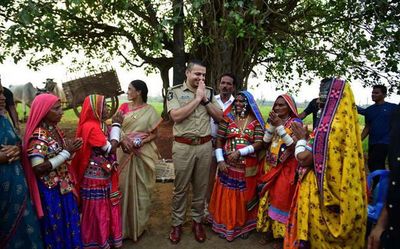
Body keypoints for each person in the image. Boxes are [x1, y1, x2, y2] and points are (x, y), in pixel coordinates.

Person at [284, 78, 368, 248]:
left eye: (322, 94)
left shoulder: (327, 128)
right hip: (343, 192)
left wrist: (301, 140)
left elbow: (304, 158)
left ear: (331, 96)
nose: (319, 99)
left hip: (322, 195)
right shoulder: (347, 125)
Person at [167, 60, 223, 244]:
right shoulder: (174, 92)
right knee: (180, 188)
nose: (200, 78)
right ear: (187, 73)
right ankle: (177, 224)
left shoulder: (209, 92)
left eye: (203, 75)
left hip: (205, 146)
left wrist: (205, 99)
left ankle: (197, 222)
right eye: (197, 74)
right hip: (183, 146)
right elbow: (176, 116)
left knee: (201, 187)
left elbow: (220, 117)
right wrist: (197, 99)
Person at [22, 93, 83, 249]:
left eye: (60, 107)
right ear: (44, 111)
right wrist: (66, 153)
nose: (61, 111)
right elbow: (38, 168)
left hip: (63, 187)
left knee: (69, 223)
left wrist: (71, 149)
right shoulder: (39, 136)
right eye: (56, 108)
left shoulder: (55, 130)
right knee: (57, 228)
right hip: (51, 192)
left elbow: (60, 156)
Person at [208, 91, 265, 241]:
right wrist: (220, 160)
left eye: (242, 101)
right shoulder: (227, 119)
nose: (238, 104)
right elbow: (219, 140)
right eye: (237, 101)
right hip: (227, 166)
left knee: (244, 196)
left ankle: (244, 226)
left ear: (249, 104)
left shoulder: (255, 122)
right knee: (226, 195)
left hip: (246, 168)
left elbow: (259, 143)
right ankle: (224, 224)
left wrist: (240, 152)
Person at [71, 94, 124, 248]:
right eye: (104, 106)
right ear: (95, 109)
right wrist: (117, 125)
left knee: (102, 208)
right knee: (96, 210)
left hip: (102, 175)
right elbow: (110, 148)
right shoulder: (91, 126)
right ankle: (96, 241)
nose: (107, 108)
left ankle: (103, 239)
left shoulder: (99, 125)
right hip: (95, 178)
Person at [117, 80, 162, 241]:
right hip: (123, 152)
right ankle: (122, 228)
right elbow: (115, 128)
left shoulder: (150, 111)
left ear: (139, 92)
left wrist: (140, 141)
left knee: (143, 190)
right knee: (122, 188)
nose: (127, 91)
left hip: (142, 153)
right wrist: (124, 139)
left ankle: (138, 227)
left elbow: (155, 134)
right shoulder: (122, 108)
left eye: (130, 89)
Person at [0, 81, 43, 249]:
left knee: (24, 227)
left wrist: (17, 150)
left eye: (3, 93)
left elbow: (16, 142)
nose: (3, 98)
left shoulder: (4, 119)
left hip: (16, 183)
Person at [257, 94, 302, 247]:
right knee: (268, 197)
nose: (277, 108)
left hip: (286, 167)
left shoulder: (296, 123)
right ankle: (269, 230)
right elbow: (265, 143)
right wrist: (271, 125)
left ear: (290, 107)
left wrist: (280, 126)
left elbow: (293, 147)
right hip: (270, 165)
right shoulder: (275, 120)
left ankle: (281, 235)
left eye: (282, 105)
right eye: (276, 105)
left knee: (281, 199)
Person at [367, 103, 400, 249]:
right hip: (392, 226)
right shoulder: (397, 113)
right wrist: (381, 223)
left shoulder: (391, 108)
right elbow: (396, 179)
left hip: (382, 145)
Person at [205, 73, 236, 217]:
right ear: (218, 84)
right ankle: (207, 208)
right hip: (210, 143)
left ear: (233, 87)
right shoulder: (210, 100)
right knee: (209, 176)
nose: (225, 86)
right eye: (223, 83)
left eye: (229, 84)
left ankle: (222, 209)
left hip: (229, 147)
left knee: (226, 179)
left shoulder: (237, 104)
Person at [361, 85, 397, 172]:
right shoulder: (369, 110)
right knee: (371, 164)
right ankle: (381, 184)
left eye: (376, 93)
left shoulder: (392, 107)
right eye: (373, 92)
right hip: (372, 142)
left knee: (377, 164)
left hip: (385, 142)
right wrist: (359, 140)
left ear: (384, 95)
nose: (373, 94)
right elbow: (367, 127)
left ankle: (380, 184)